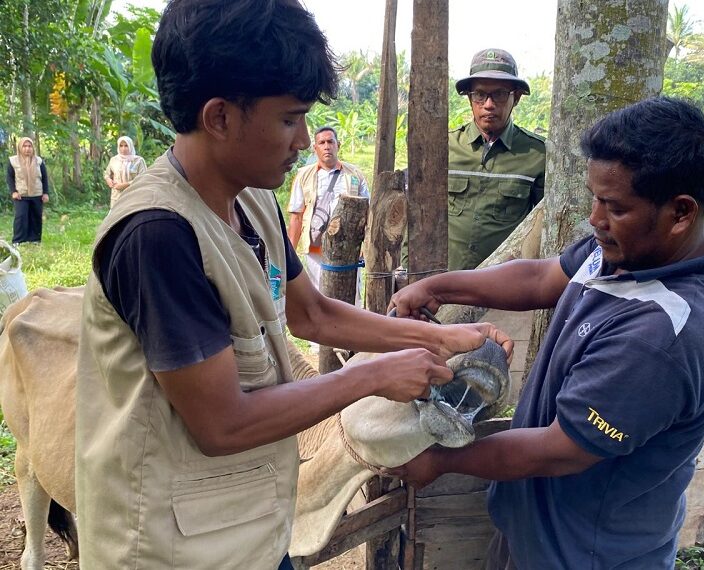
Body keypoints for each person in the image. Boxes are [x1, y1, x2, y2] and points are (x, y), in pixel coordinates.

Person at [74, 1, 511, 569]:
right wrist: (374, 374)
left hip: (250, 530)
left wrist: (438, 340)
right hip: (172, 550)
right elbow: (223, 424)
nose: (305, 139)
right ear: (219, 117)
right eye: (289, 118)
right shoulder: (157, 236)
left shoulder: (251, 197)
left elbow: (314, 316)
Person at [388, 97, 704, 569]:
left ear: (680, 213)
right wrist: (439, 285)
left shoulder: (662, 335)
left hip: (586, 555)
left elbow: (559, 450)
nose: (595, 218)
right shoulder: (627, 252)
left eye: (613, 205)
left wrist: (441, 461)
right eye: (595, 197)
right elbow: (540, 278)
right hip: (535, 534)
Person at [447, 48, 546, 270]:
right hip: (443, 282)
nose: (489, 104)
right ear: (470, 98)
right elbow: (417, 217)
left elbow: (543, 225)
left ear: (516, 98)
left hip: (503, 288)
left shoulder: (537, 154)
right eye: (480, 95)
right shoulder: (446, 149)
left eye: (500, 94)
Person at [287, 125, 369, 299]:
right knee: (319, 296)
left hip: (348, 249)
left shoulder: (355, 175)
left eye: (330, 142)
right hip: (316, 250)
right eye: (322, 143)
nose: (326, 146)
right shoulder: (303, 176)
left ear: (338, 145)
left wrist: (367, 248)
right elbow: (296, 217)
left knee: (351, 296)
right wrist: (288, 254)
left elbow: (368, 213)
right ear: (315, 148)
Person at [6, 137, 49, 245]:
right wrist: (13, 192)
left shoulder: (39, 161)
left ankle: (35, 240)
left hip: (37, 194)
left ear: (33, 148)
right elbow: (10, 178)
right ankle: (18, 241)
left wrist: (45, 193)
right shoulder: (13, 161)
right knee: (21, 217)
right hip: (21, 195)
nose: (27, 149)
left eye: (29, 146)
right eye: (24, 146)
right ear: (20, 147)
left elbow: (44, 178)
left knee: (36, 217)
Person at [104, 135, 147, 208]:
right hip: (117, 196)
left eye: (126, 146)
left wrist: (125, 185)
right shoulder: (114, 160)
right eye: (121, 146)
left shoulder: (138, 161)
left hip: (133, 197)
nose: (123, 149)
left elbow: (143, 179)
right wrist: (108, 180)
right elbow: (107, 174)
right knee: (116, 217)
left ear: (130, 146)